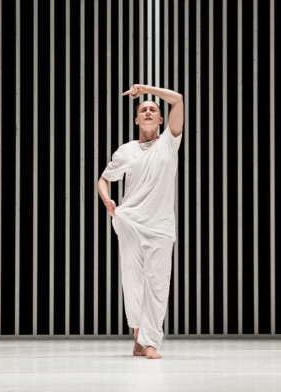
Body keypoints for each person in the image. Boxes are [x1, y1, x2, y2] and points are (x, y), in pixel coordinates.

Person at [98, 84, 184, 359]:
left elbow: (178, 99)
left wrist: (144, 90)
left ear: (162, 119)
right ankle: (138, 333)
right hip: (130, 221)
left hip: (160, 225)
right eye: (143, 110)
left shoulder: (169, 142)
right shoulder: (125, 151)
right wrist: (107, 200)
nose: (148, 111)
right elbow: (103, 179)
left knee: (158, 282)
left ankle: (150, 342)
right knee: (133, 281)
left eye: (153, 110)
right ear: (136, 120)